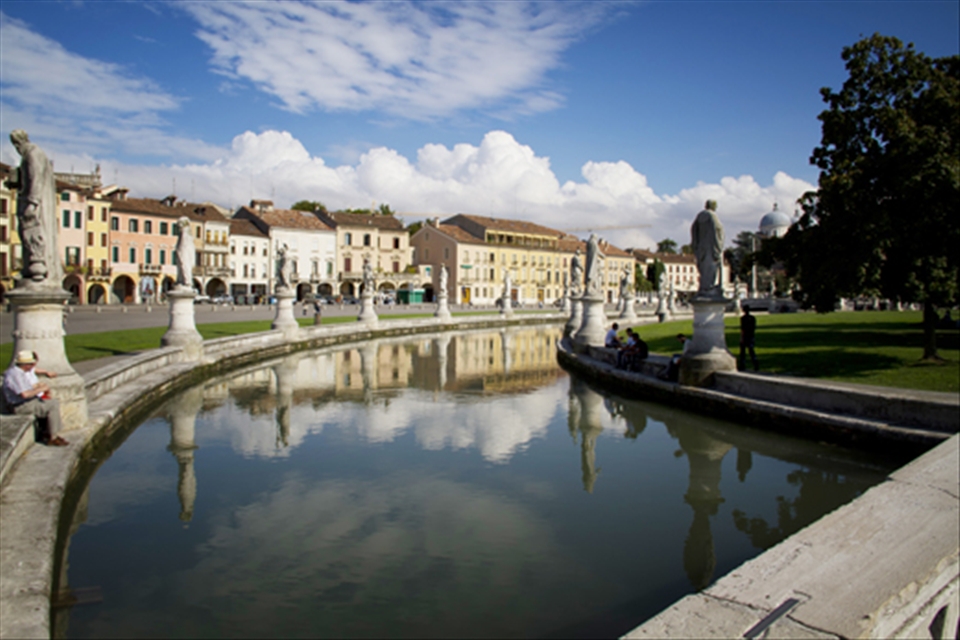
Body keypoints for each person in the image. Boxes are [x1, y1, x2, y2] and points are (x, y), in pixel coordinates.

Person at [7, 130, 62, 286]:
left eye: (16, 145)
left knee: (33, 233)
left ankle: (38, 266)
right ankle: (31, 267)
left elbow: (36, 178)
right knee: (28, 234)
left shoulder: (32, 154)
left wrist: (33, 202)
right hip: (32, 200)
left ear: (19, 143)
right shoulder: (31, 155)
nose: (16, 148)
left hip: (35, 203)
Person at [1, 351, 67, 446]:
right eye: (32, 364)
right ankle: (53, 437)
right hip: (21, 405)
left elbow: (25, 388)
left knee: (51, 402)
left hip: (26, 402)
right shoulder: (16, 375)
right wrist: (41, 389)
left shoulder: (18, 372)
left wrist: (37, 386)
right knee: (52, 405)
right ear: (27, 365)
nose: (33, 367)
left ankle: (48, 432)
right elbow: (24, 394)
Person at [691, 199, 724, 298]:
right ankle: (709, 288)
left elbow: (693, 230)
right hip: (711, 247)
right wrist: (718, 247)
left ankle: (704, 287)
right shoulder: (712, 216)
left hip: (701, 248)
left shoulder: (699, 216)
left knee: (704, 269)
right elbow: (717, 231)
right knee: (711, 269)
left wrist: (695, 245)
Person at [739, 305, 759, 371]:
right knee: (751, 351)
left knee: (743, 352)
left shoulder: (743, 318)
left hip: (745, 336)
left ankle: (742, 364)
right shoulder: (752, 318)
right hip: (751, 336)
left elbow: (743, 329)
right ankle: (755, 364)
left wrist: (741, 337)